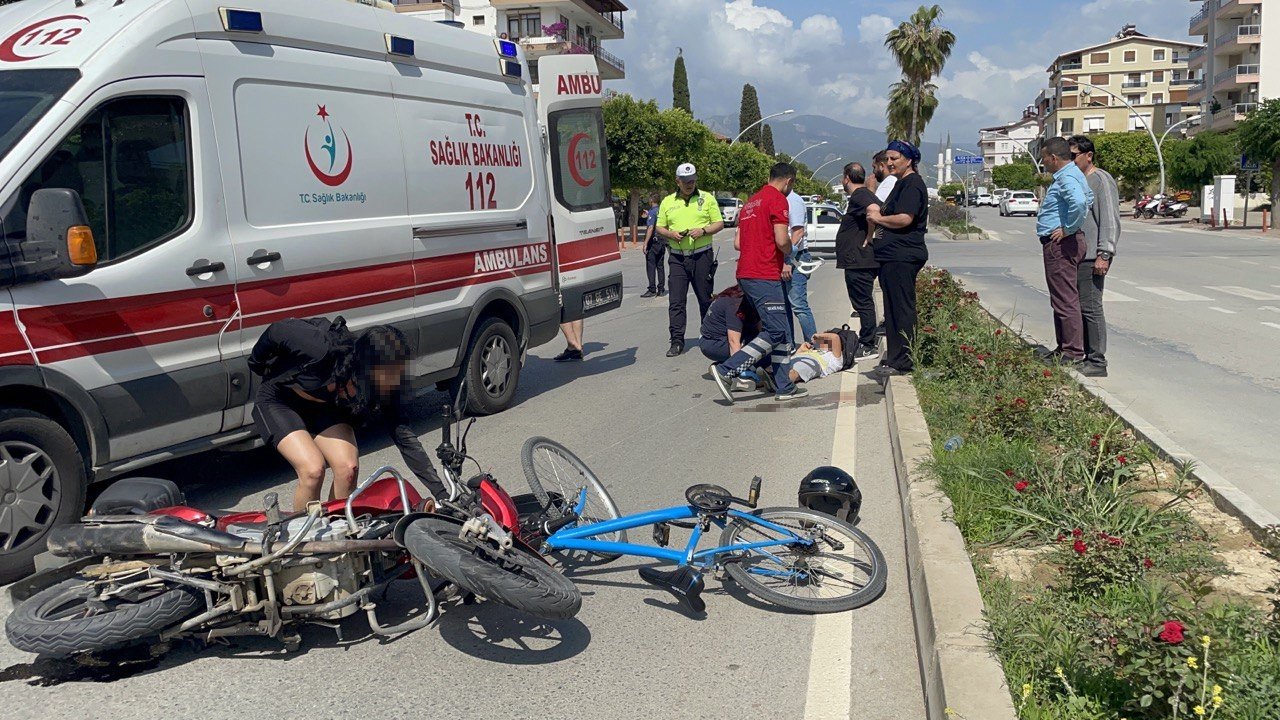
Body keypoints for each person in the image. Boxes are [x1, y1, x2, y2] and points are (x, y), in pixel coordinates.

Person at [248, 317, 444, 511]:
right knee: (313, 470)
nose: (393, 382)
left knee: (348, 468)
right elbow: (278, 330)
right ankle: (304, 534)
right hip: (280, 401)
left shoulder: (382, 386)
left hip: (323, 409)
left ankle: (338, 530)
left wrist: (442, 494)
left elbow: (406, 440)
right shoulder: (319, 349)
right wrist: (256, 363)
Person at [709, 163, 804, 403]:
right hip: (764, 273)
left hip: (747, 272)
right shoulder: (778, 200)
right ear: (788, 181)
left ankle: (784, 386)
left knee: (780, 331)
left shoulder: (751, 201)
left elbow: (739, 244)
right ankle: (727, 369)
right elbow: (782, 239)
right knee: (776, 330)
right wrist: (789, 252)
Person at [866, 141, 929, 377]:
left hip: (903, 255)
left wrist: (877, 218)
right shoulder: (900, 183)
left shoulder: (912, 184)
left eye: (895, 158)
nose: (890, 163)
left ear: (909, 160)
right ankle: (895, 358)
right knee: (891, 310)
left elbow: (904, 218)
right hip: (891, 256)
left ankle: (904, 361)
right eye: (888, 159)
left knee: (901, 309)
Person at [1036, 136, 1094, 364]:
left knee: (1065, 299)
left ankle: (1071, 352)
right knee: (1062, 298)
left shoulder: (1066, 177)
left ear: (1053, 157)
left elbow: (1080, 203)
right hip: (1065, 243)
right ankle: (1064, 348)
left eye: (1044, 159)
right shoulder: (1072, 174)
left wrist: (1068, 229)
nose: (1043, 163)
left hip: (1061, 245)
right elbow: (1088, 198)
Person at [656, 162, 724, 357]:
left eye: (692, 180)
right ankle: (677, 341)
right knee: (676, 301)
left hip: (702, 255)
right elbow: (660, 227)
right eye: (685, 181)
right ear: (677, 181)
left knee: (705, 299)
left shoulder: (707, 198)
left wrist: (703, 230)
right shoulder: (668, 201)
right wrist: (671, 234)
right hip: (677, 257)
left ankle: (709, 336)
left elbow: (719, 223)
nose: (689, 184)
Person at [1068, 135, 1120, 378]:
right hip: (1079, 255)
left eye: (1074, 155)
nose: (1071, 160)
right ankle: (1086, 354)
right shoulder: (1080, 180)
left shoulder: (1100, 180)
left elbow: (1109, 219)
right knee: (1079, 307)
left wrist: (1104, 253)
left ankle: (1098, 361)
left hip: (1093, 256)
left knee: (1091, 308)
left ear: (1088, 156)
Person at [834, 162, 881, 360]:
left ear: (846, 178)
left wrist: (870, 235)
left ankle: (868, 344)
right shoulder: (863, 194)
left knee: (862, 302)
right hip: (859, 259)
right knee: (862, 301)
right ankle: (868, 339)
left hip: (859, 259)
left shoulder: (861, 195)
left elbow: (874, 210)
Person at [785, 189, 817, 345]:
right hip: (786, 256)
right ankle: (788, 345)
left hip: (795, 257)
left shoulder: (793, 200)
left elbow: (798, 232)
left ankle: (814, 345)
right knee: (783, 306)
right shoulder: (780, 199)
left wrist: (787, 260)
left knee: (798, 305)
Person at [641, 195, 665, 298]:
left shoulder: (652, 212)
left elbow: (650, 227)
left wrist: (645, 243)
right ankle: (661, 288)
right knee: (660, 266)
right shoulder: (661, 211)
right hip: (662, 241)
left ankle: (652, 289)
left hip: (653, 242)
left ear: (651, 200)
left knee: (651, 266)